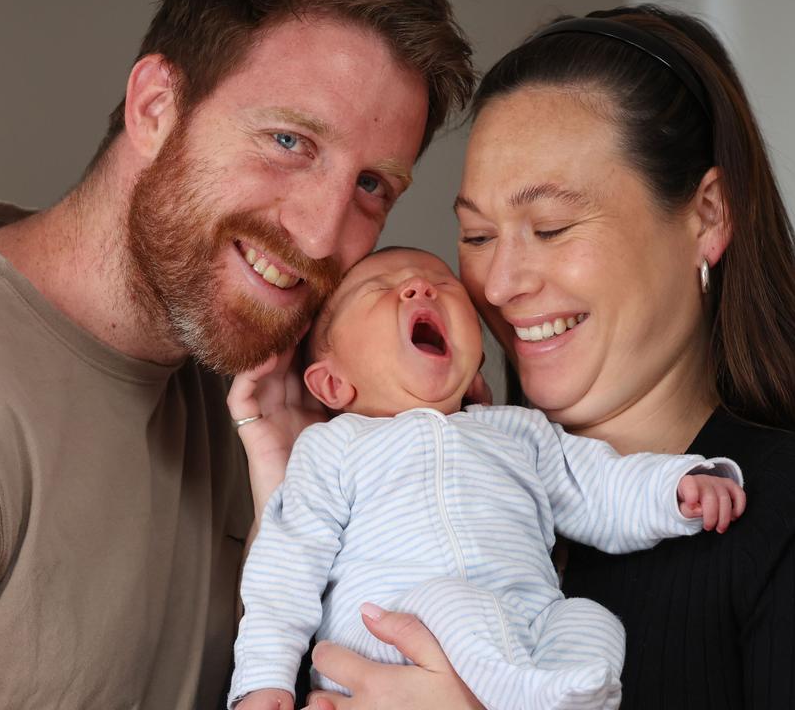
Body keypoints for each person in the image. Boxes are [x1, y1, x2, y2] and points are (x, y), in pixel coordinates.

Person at [274, 7, 795, 709]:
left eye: (551, 227)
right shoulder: (412, 517)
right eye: (475, 236)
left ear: (707, 215)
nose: (499, 285)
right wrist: (288, 496)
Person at [0, 0, 473, 707]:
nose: (320, 237)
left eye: (371, 185)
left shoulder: (278, 381)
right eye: (289, 142)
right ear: (156, 108)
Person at [228, 246, 745, 710]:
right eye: (380, 291)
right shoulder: (333, 448)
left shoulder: (521, 434)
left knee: (590, 620)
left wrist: (675, 488)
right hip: (391, 638)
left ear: (475, 359)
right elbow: (287, 564)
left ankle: (555, 698)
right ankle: (526, 696)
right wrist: (262, 678)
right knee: (452, 601)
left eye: (444, 284)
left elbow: (599, 485)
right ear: (333, 383)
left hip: (520, 630)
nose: (420, 287)